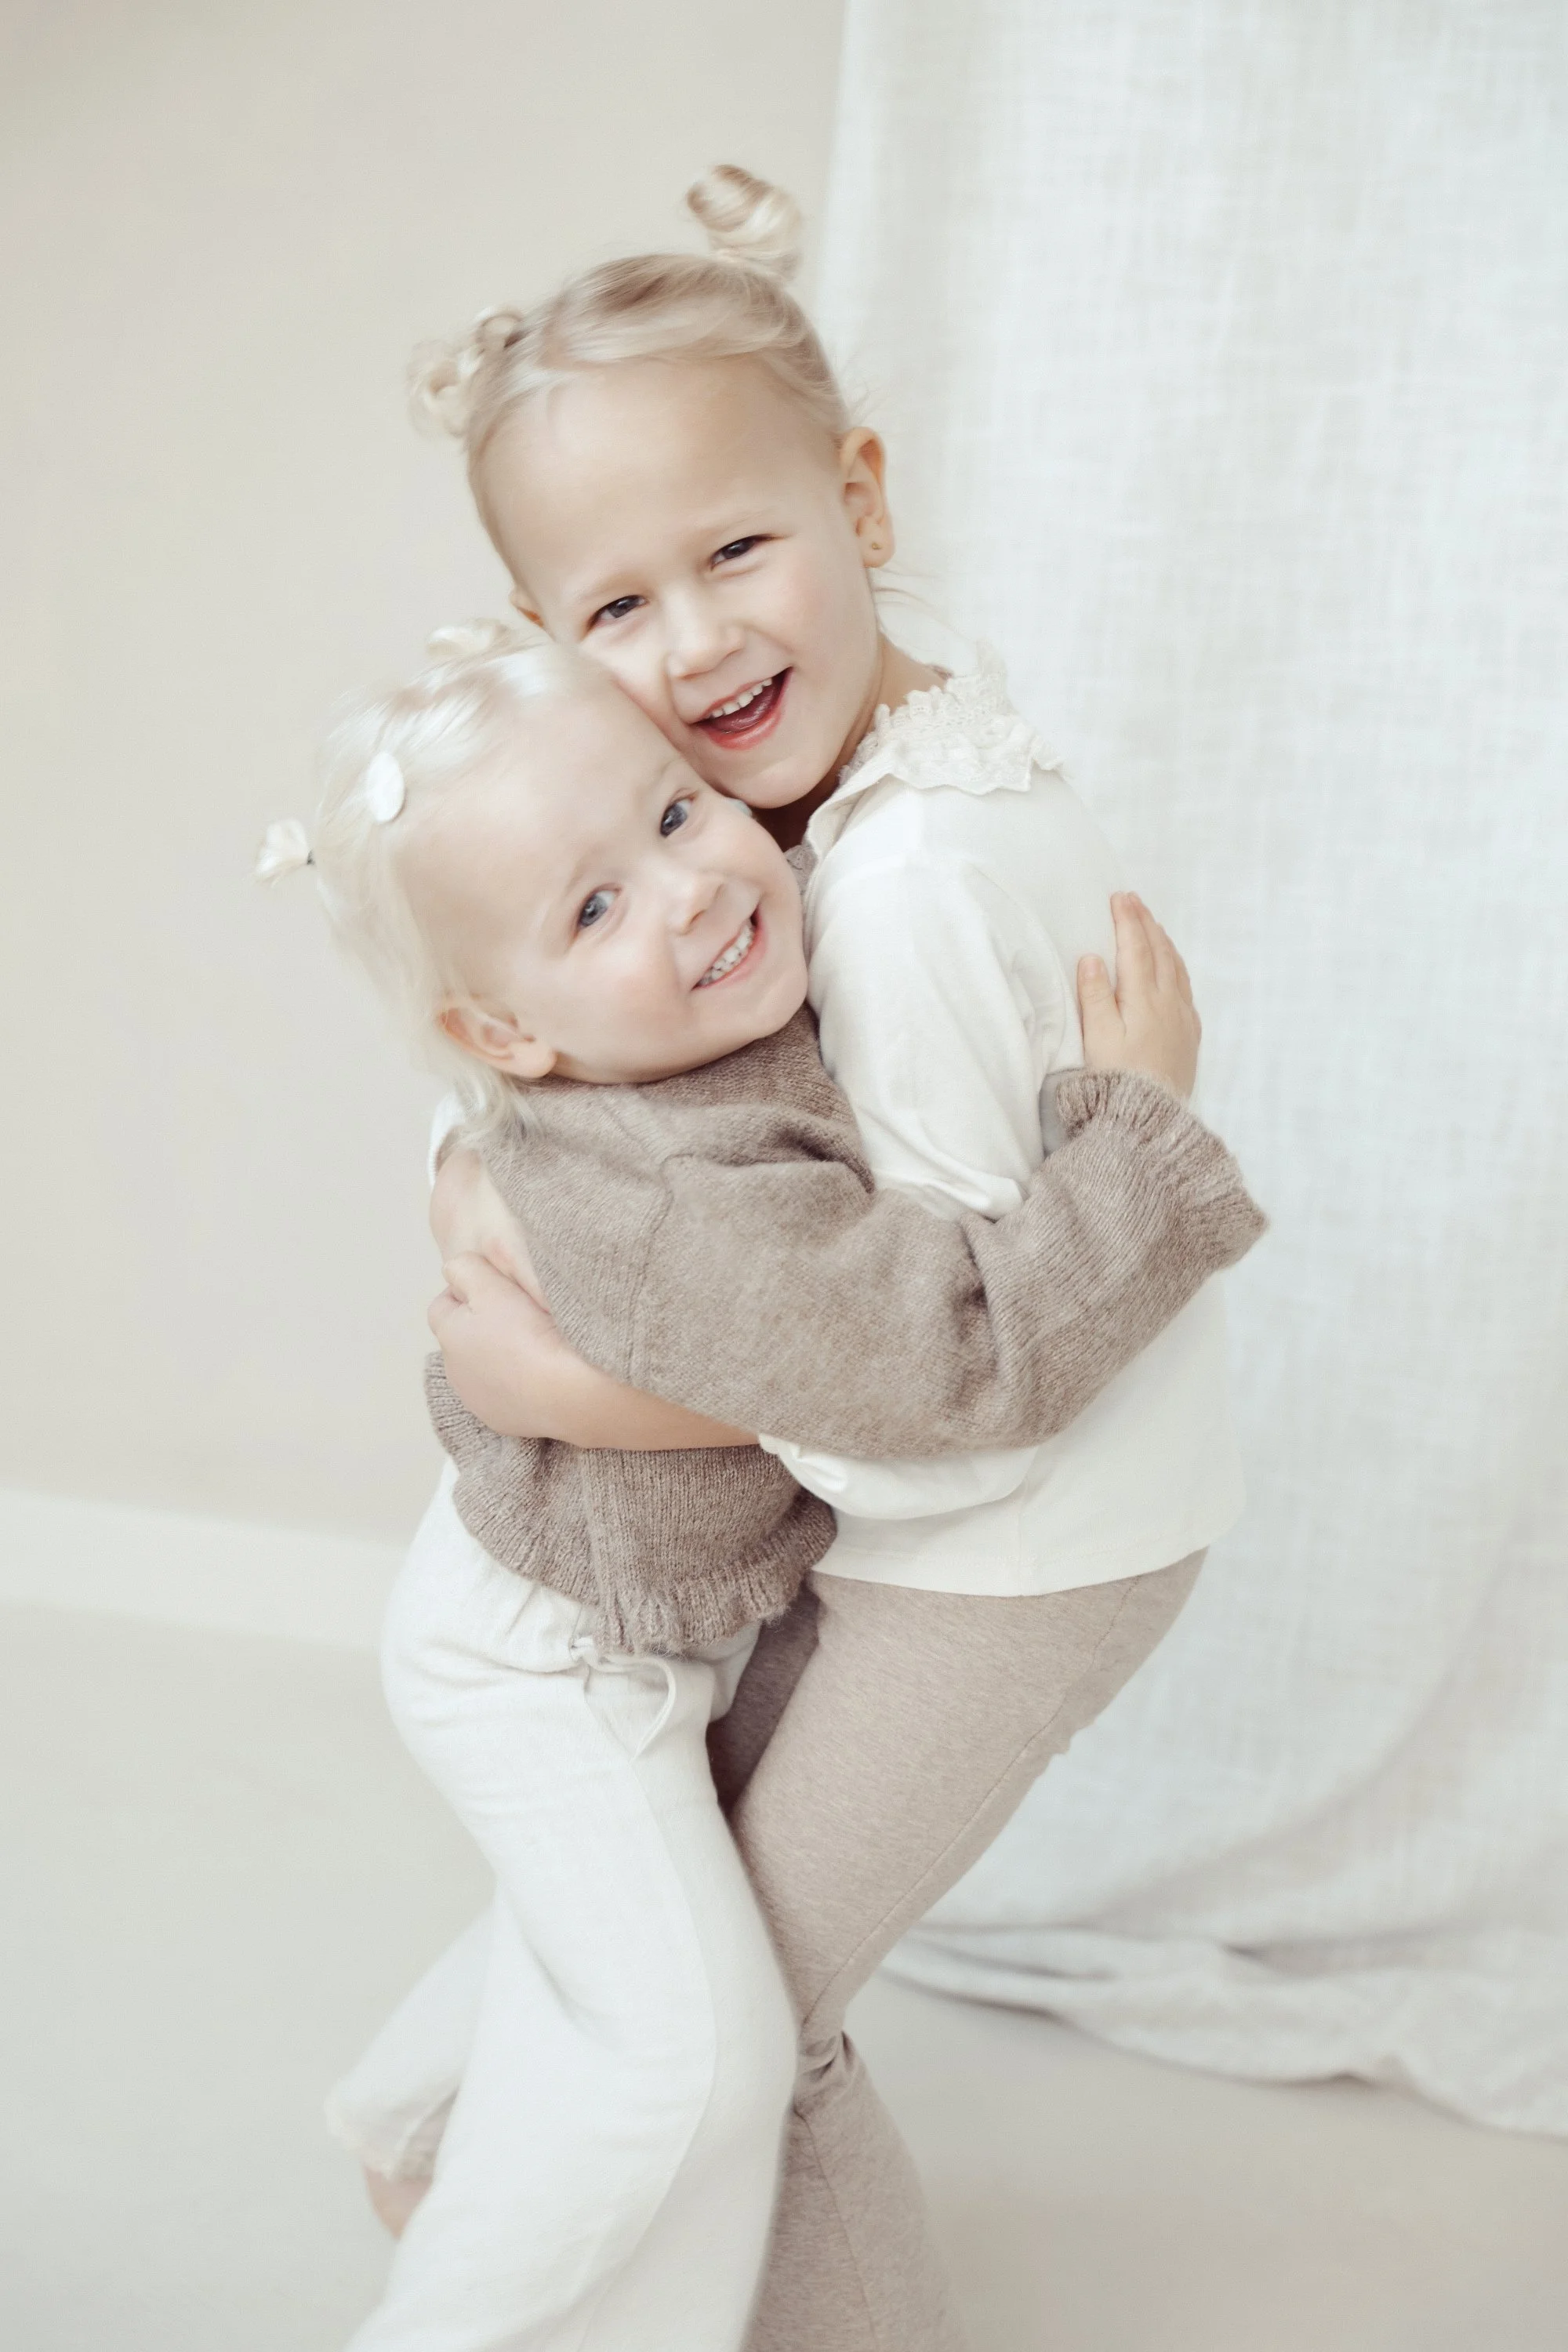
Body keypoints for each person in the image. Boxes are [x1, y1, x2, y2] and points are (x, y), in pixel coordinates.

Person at [354, 164, 1263, 2352]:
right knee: (667, 1943)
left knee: (763, 2023)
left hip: (1014, 1545)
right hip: (983, 1504)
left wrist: (589, 1397)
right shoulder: (867, 726)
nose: (695, 652)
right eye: (617, 613)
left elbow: (946, 1405)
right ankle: (444, 2150)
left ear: (856, 492)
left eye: (740, 550)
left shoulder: (900, 888)